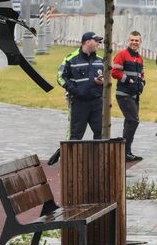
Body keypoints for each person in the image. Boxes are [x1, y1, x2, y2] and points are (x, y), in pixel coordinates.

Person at [51, 31, 105, 165]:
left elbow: (107, 78)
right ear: (87, 42)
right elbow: (60, 77)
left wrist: (103, 82)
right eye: (96, 41)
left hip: (97, 102)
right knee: (76, 135)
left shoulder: (100, 60)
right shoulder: (70, 59)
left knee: (101, 133)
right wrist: (74, 90)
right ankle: (69, 162)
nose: (99, 44)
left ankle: (98, 161)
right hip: (79, 103)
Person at [111, 31, 146, 164]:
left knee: (129, 121)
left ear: (140, 42)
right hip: (124, 94)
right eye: (132, 40)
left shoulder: (139, 58)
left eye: (137, 40)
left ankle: (126, 151)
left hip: (135, 95)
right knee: (133, 120)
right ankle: (124, 152)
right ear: (128, 41)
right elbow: (115, 72)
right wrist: (128, 80)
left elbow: (142, 74)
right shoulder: (122, 55)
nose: (134, 42)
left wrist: (142, 82)